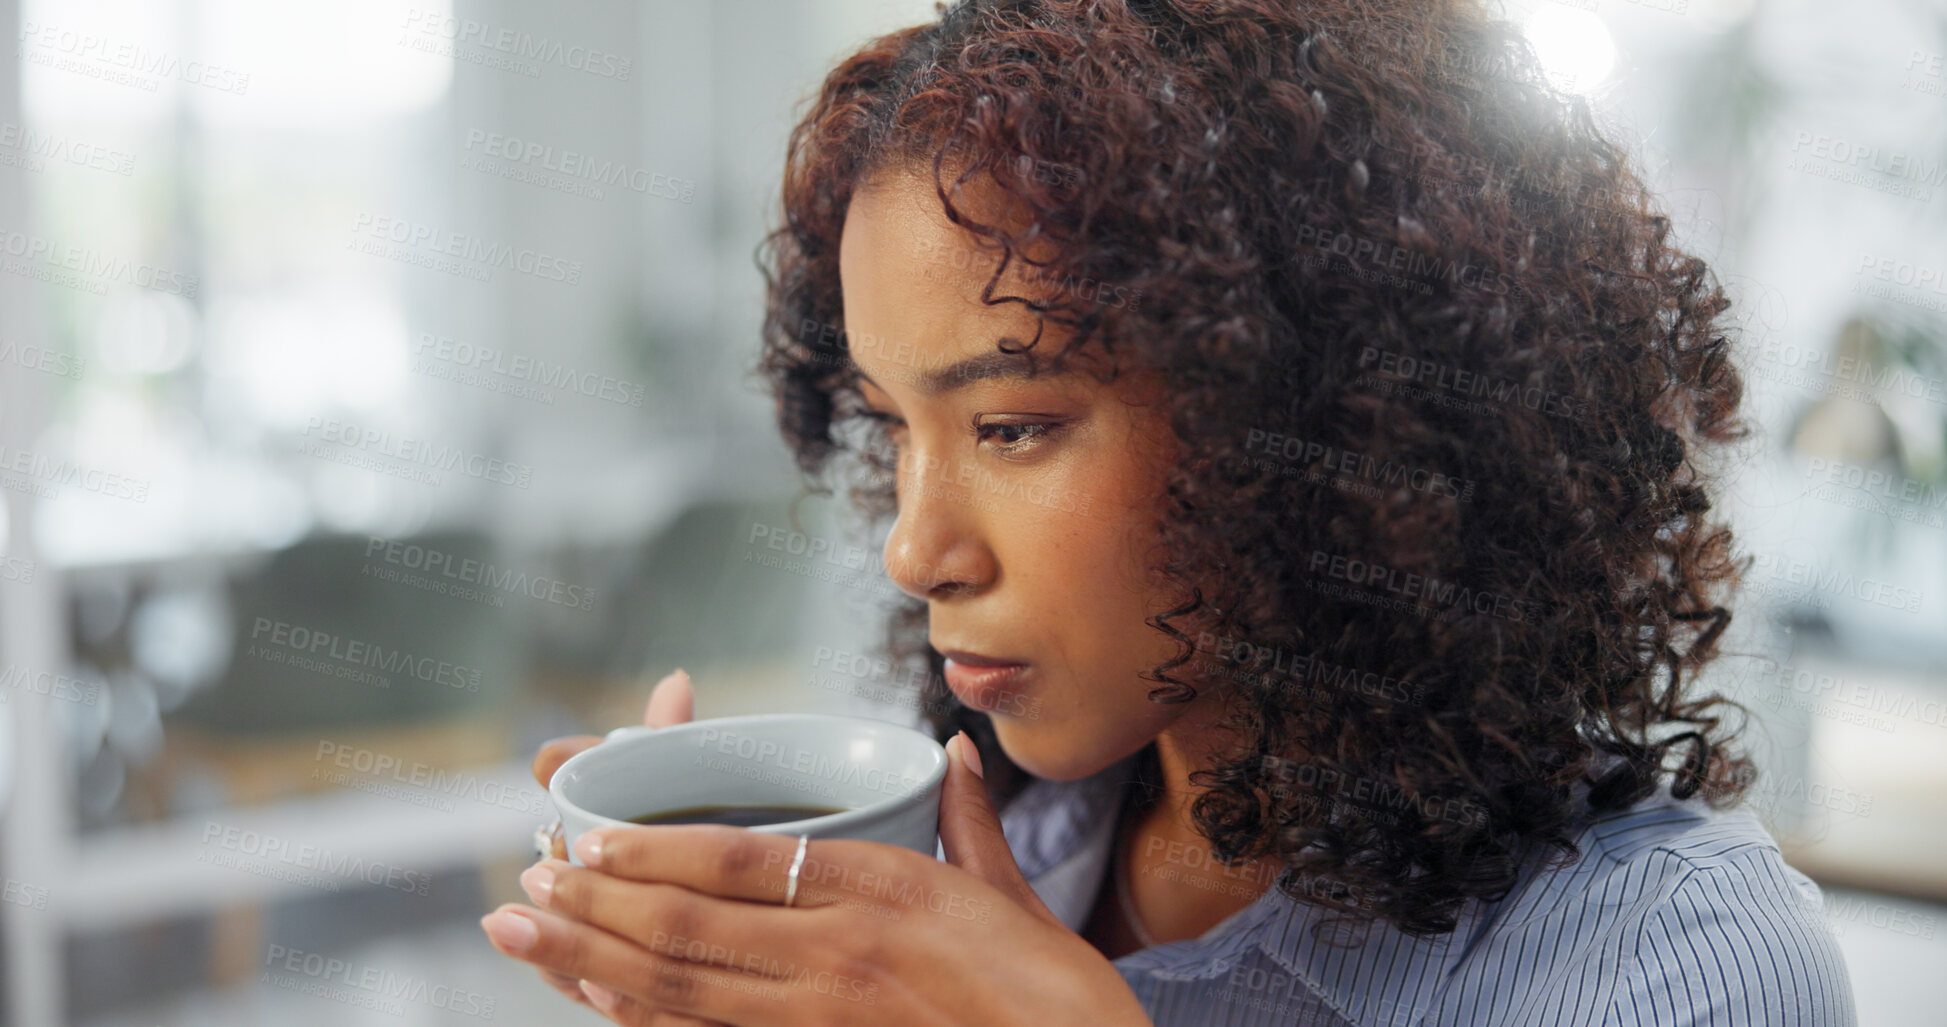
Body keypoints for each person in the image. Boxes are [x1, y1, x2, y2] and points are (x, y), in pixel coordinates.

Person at [480, 0, 1858, 1023]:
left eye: (1011, 426)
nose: (914, 549)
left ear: (1325, 418)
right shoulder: (988, 852)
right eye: (894, 429)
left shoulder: (1673, 961)